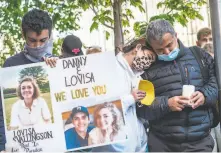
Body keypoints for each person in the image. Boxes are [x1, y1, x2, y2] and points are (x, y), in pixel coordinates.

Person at [137, 19, 218, 152]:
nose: (167, 52)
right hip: (162, 144)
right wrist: (166, 104)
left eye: (170, 45)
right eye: (160, 50)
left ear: (176, 35)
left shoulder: (199, 55)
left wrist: (204, 95)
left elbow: (216, 85)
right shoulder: (147, 68)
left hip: (200, 142)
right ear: (151, 46)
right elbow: (141, 107)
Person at [92, 40, 156, 152]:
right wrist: (131, 98)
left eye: (151, 61)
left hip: (139, 145)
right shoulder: (110, 68)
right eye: (148, 57)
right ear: (138, 48)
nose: (148, 63)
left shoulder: (138, 77)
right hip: (117, 148)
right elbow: (102, 107)